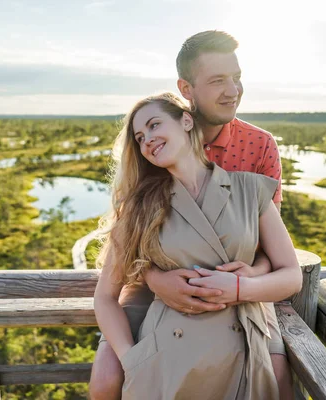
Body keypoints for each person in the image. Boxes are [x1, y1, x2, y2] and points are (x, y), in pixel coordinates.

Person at [90, 31, 294, 399]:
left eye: (236, 77)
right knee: (106, 380)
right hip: (156, 282)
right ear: (187, 89)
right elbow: (128, 249)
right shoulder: (158, 147)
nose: (232, 90)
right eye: (217, 81)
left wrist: (247, 280)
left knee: (277, 377)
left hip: (240, 282)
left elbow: (272, 246)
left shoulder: (258, 147)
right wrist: (156, 280)